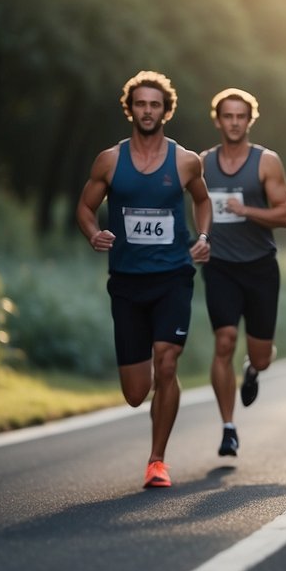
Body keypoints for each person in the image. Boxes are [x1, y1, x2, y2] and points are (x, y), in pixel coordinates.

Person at [77, 71, 213, 489]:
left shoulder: (186, 160)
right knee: (137, 392)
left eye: (155, 104)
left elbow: (203, 201)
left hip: (173, 276)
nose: (148, 111)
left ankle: (157, 460)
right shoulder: (110, 160)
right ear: (130, 109)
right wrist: (93, 232)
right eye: (141, 104)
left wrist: (204, 236)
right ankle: (156, 394)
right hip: (127, 280)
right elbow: (85, 207)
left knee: (167, 361)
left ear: (166, 110)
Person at [200, 88, 286, 459]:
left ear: (249, 120)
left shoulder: (266, 162)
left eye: (241, 116)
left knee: (262, 356)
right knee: (223, 341)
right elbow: (191, 203)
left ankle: (253, 369)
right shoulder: (202, 163)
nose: (234, 122)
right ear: (218, 120)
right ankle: (228, 427)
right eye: (228, 116)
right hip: (220, 265)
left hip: (259, 267)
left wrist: (246, 211)